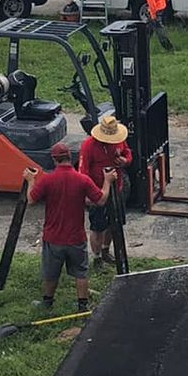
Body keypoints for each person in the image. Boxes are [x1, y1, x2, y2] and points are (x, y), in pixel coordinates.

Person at [27, 142, 103, 311]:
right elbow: (101, 199)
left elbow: (31, 200)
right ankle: (82, 305)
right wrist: (108, 182)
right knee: (81, 272)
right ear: (69, 157)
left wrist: (30, 180)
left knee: (51, 272)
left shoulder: (48, 179)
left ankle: (47, 302)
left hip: (53, 237)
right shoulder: (83, 179)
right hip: (76, 237)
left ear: (54, 160)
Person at [78, 116, 133, 261]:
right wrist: (87, 194)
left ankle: (105, 250)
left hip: (117, 188)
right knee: (97, 227)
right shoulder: (88, 145)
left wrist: (125, 160)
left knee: (115, 223)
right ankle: (96, 258)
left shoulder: (119, 139)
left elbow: (127, 152)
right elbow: (83, 172)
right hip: (97, 191)